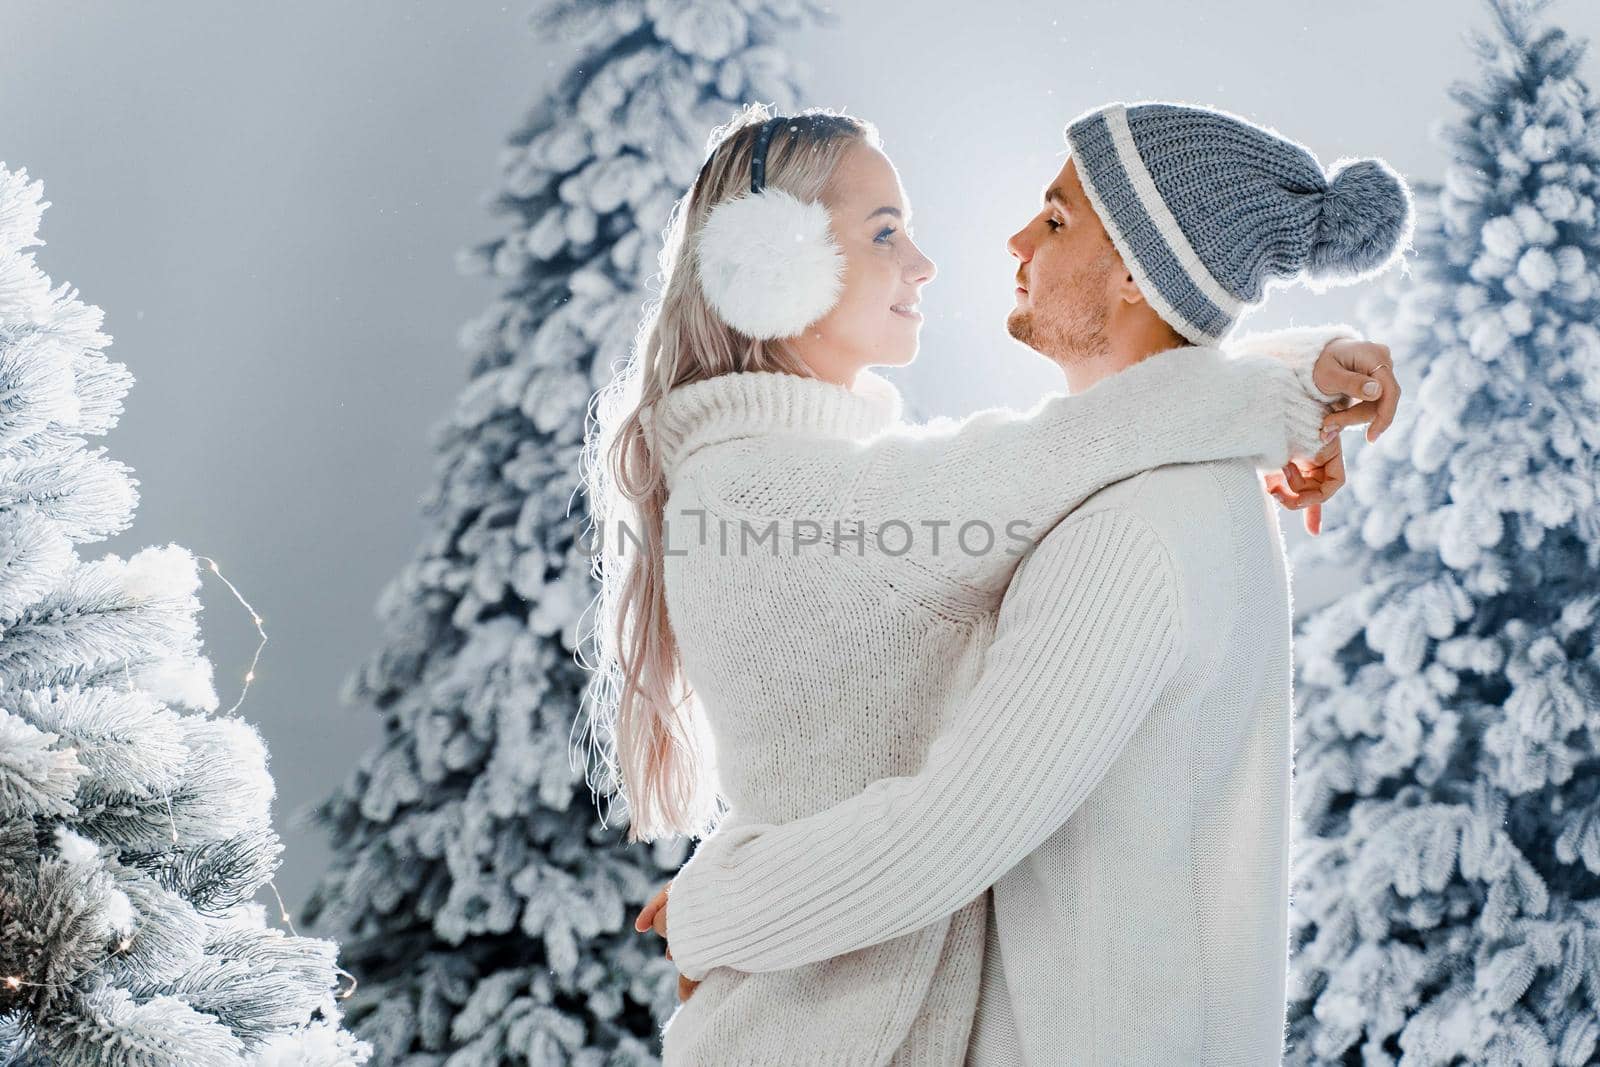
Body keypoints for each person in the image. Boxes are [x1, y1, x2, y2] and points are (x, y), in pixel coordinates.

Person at [589, 101, 1405, 1065]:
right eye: (884, 232)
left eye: (1054, 221)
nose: (927, 263)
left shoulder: (826, 485)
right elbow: (1067, 447)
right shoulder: (768, 497)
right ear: (771, 258)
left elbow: (1058, 453)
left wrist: (1281, 385)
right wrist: (1285, 389)